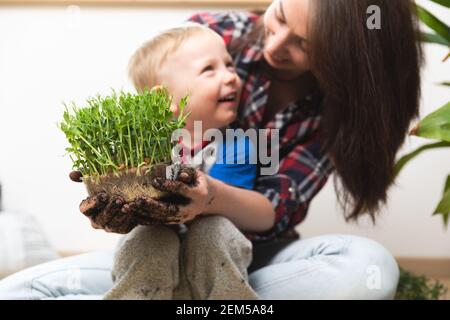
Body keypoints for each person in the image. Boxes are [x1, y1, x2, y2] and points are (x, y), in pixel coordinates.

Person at [0, 0, 423, 300]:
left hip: (249, 253)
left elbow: (277, 206)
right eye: (277, 18)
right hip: (157, 249)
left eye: (305, 45)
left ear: (344, 58)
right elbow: (140, 163)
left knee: (367, 267)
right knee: (18, 290)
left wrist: (209, 198)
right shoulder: (211, 37)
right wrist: (118, 195)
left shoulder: (259, 140)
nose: (274, 47)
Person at [104, 23, 259, 300]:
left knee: (214, 231)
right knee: (145, 238)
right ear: (162, 99)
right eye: (209, 69)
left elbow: (209, 204)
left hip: (212, 266)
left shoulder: (238, 145)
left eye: (229, 64)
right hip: (159, 268)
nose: (231, 77)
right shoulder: (147, 147)